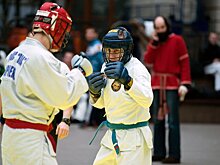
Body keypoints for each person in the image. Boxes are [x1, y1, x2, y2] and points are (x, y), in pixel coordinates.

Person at [0, 2, 93, 165]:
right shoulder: (41, 57)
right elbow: (65, 97)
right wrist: (80, 71)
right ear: (54, 27)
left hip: (11, 136)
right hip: (30, 139)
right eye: (62, 30)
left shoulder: (14, 54)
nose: (64, 35)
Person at [87, 27, 154, 165]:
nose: (111, 56)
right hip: (112, 135)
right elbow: (103, 104)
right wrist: (94, 93)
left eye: (116, 51)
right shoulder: (106, 66)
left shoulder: (137, 69)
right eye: (108, 51)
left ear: (126, 50)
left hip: (134, 138)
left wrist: (128, 81)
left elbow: (147, 100)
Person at [144, 16, 191, 164]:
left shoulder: (177, 40)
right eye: (157, 28)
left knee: (172, 121)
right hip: (157, 84)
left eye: (162, 27)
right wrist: (154, 43)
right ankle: (158, 152)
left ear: (167, 27)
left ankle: (174, 155)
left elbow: (185, 62)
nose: (159, 31)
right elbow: (148, 60)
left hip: (171, 84)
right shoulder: (155, 43)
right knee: (157, 120)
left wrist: (185, 83)